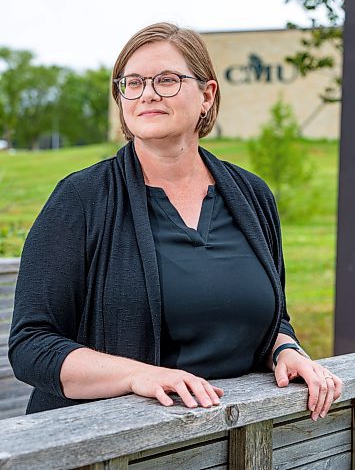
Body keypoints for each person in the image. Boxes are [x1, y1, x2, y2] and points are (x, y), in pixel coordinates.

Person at [9, 22, 342, 419]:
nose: (147, 93)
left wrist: (285, 349)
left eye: (166, 80)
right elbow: (31, 345)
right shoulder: (80, 200)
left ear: (207, 94)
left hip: (230, 440)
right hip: (109, 445)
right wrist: (138, 376)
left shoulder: (253, 197)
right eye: (132, 82)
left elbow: (272, 318)